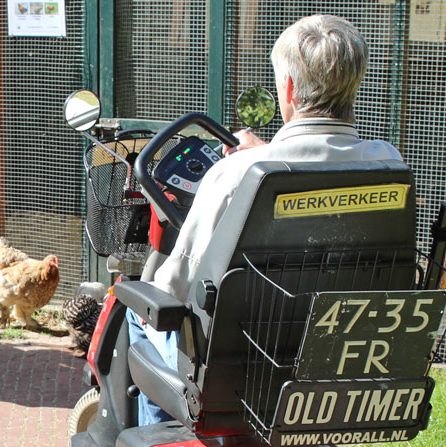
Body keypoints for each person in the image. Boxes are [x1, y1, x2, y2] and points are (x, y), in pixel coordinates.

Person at [131, 14, 402, 425]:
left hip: (236, 368)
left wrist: (258, 157)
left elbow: (176, 285)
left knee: (140, 318)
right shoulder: (387, 163)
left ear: (289, 88)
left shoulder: (236, 173)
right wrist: (266, 151)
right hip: (335, 361)